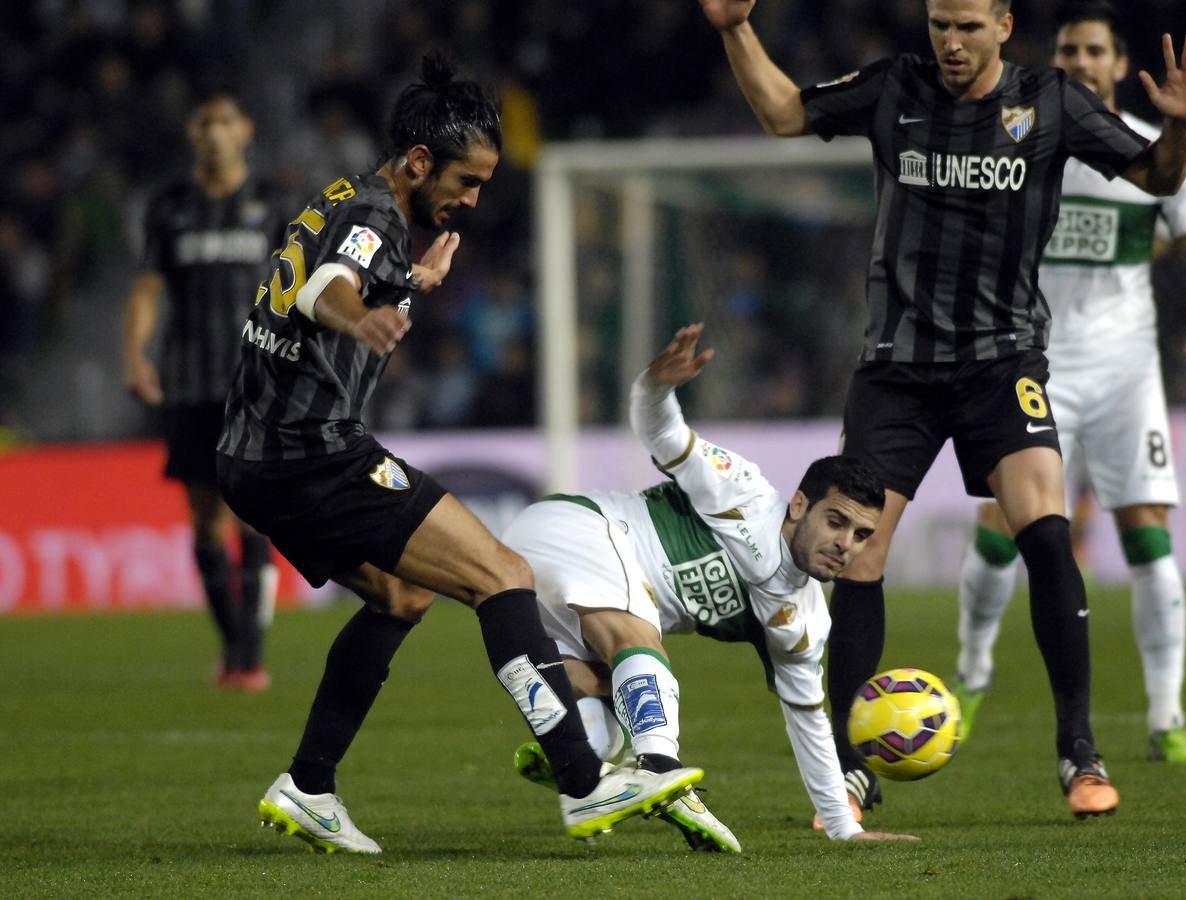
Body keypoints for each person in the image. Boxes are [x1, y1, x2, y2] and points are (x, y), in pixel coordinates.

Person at [699, 0, 1186, 820]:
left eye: (967, 27)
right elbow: (781, 113)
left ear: (1003, 26)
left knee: (1046, 532)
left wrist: (1181, 127)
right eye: (940, 24)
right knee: (858, 558)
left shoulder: (1050, 101)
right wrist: (735, 28)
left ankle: (1078, 755)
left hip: (1001, 360)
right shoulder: (891, 88)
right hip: (897, 368)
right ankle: (847, 770)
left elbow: (1157, 175)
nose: (950, 41)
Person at [216, 53, 702, 856]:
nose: (471, 200)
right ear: (417, 162)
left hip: (252, 459)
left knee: (403, 597)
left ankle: (308, 785)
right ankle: (585, 782)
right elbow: (324, 287)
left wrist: (405, 287)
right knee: (502, 577)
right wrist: (359, 317)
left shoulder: (349, 200)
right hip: (312, 454)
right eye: (465, 181)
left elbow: (346, 272)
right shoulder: (372, 215)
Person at [506, 324, 920, 850]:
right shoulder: (743, 492)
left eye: (862, 535)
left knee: (604, 719)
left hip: (562, 591)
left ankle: (573, 764)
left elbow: (808, 721)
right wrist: (654, 388)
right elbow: (666, 436)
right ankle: (660, 771)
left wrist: (844, 828)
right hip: (577, 527)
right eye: (836, 522)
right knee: (638, 642)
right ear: (799, 505)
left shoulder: (804, 621)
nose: (847, 545)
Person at [954, 3, 1186, 767]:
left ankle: (1165, 715)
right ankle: (971, 672)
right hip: (1024, 363)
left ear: (1117, 63)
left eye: (1094, 49)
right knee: (998, 529)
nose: (1078, 59)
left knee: (1147, 537)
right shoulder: (1013, 135)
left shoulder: (1152, 148)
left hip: (1124, 372)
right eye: (1068, 48)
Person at [122, 93, 289, 691]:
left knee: (251, 511)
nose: (215, 134)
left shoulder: (272, 204)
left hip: (256, 381)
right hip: (189, 382)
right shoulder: (169, 207)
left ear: (244, 130)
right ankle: (233, 646)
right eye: (204, 124)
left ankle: (250, 653)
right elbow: (146, 289)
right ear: (193, 134)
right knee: (202, 519)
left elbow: (300, 289)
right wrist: (135, 354)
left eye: (225, 122)